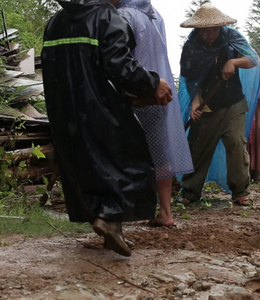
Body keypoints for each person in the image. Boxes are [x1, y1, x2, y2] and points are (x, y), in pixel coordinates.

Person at [42, 0, 173, 256]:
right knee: (129, 161)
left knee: (88, 167)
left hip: (64, 113)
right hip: (100, 109)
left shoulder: (56, 23)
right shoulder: (107, 18)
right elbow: (120, 67)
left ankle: (111, 226)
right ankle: (110, 219)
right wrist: (153, 83)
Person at [116, 0, 194, 227]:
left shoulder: (122, 15)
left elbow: (120, 58)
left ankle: (121, 212)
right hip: (161, 91)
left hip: (134, 93)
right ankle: (166, 212)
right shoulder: (154, 15)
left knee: (123, 153)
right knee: (160, 153)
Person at [178, 4, 260, 206]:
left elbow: (251, 59)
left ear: (220, 26)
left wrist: (233, 62)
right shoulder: (191, 48)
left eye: (212, 29)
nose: (207, 35)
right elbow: (190, 78)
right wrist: (196, 100)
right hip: (208, 105)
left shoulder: (231, 37)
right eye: (203, 30)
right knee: (199, 148)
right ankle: (190, 192)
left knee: (235, 143)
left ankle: (240, 191)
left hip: (233, 102)